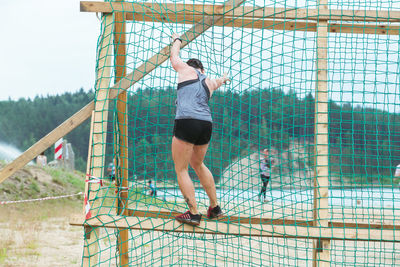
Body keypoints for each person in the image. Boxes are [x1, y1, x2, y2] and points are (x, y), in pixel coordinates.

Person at [170, 33, 230, 225]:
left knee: (181, 169)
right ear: (202, 69)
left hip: (187, 121)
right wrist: (223, 79)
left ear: (191, 66)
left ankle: (194, 213)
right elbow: (219, 82)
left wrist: (176, 40)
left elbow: (174, 57)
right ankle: (215, 207)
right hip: (206, 124)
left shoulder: (185, 70)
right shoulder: (209, 82)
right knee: (198, 163)